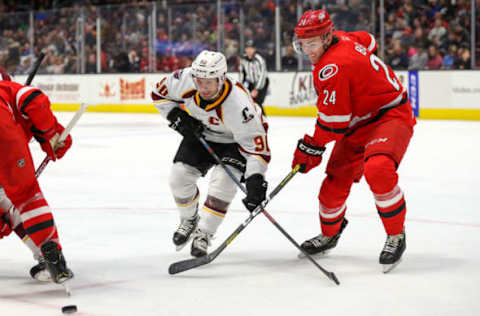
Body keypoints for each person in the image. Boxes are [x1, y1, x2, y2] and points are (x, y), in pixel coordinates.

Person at [291, 10, 416, 272]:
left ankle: (396, 235)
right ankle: (330, 234)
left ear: (326, 38)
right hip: (359, 123)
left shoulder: (331, 68)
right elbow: (369, 40)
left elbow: (334, 122)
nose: (308, 50)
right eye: (303, 44)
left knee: (378, 168)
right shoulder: (342, 37)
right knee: (332, 188)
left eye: (312, 43)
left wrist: (311, 146)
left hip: (389, 114)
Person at [152, 50, 270, 257]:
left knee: (223, 183)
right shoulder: (185, 79)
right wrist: (175, 115)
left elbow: (256, 147)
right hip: (203, 132)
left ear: (221, 78)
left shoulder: (239, 105)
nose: (203, 87)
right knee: (179, 177)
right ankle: (189, 219)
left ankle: (204, 233)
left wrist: (255, 178)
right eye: (199, 81)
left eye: (209, 82)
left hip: (236, 140)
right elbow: (158, 94)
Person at [0, 70, 74, 283]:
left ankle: (44, 253)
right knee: (27, 198)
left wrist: (49, 138)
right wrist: (52, 135)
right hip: (5, 138)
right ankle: (50, 253)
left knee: (8, 204)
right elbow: (34, 100)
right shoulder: (8, 89)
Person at [239, 40, 269, 115]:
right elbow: (242, 74)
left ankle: (263, 119)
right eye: (248, 48)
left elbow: (263, 75)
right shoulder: (243, 60)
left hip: (262, 83)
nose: (249, 50)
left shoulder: (259, 59)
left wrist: (257, 89)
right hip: (251, 83)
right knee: (247, 102)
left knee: (257, 102)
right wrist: (241, 87)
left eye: (251, 48)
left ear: (254, 49)